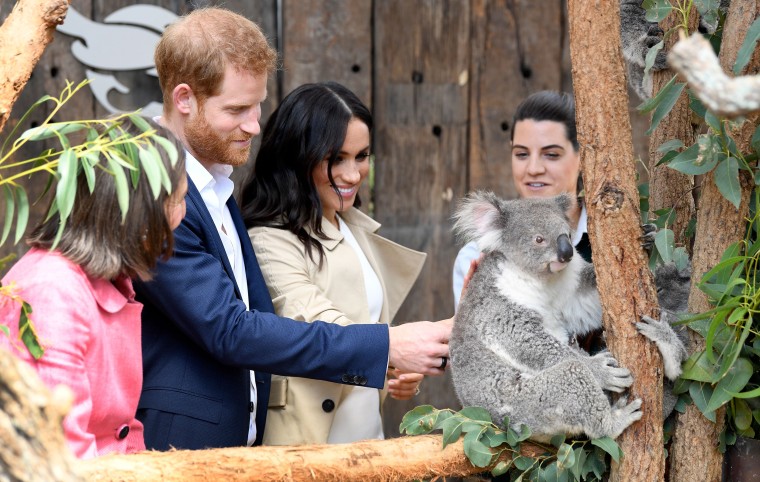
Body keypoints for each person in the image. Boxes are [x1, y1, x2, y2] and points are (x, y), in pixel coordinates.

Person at [133, 7, 451, 451]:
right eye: (237, 108)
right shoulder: (153, 189)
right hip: (182, 444)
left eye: (258, 104)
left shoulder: (219, 187)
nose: (254, 124)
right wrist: (388, 347)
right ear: (184, 99)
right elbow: (230, 330)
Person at [241, 82, 432, 445]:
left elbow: (367, 329)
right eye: (335, 159)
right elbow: (318, 326)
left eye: (362, 156)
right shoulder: (268, 238)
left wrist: (400, 370)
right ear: (297, 157)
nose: (353, 174)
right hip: (305, 449)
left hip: (367, 446)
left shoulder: (352, 227)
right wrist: (396, 349)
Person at [0, 117, 187, 459]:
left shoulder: (109, 281)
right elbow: (58, 449)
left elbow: (123, 429)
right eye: (177, 200)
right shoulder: (52, 291)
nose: (181, 216)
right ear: (139, 211)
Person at [452, 90, 590, 308]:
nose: (533, 169)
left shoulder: (614, 238)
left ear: (584, 157)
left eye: (551, 154)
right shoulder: (478, 255)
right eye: (521, 154)